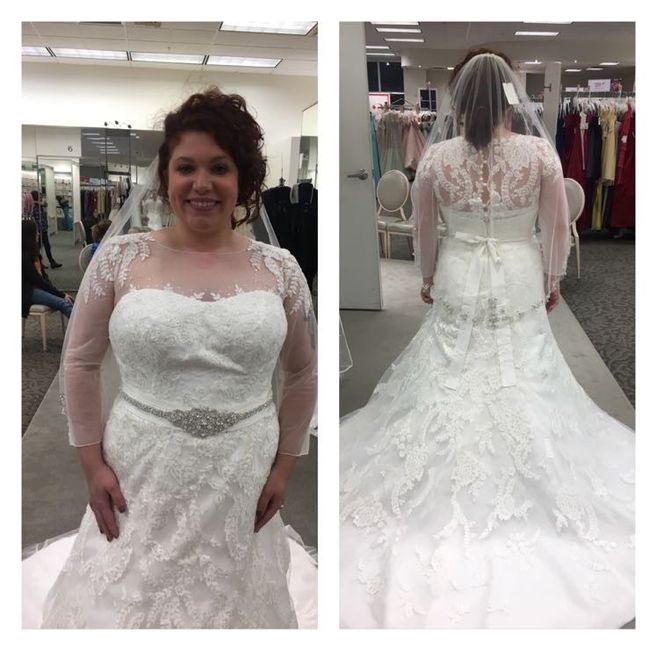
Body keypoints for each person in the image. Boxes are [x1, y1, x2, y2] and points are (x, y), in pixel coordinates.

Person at [340, 50, 634, 629]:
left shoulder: (437, 158)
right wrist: (552, 277)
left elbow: (425, 228)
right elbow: (556, 226)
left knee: (450, 362)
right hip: (519, 273)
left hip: (459, 272)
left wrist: (427, 277)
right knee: (526, 362)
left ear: (458, 100)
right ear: (509, 99)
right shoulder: (539, 154)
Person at [37, 88, 317, 628]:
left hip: (243, 465)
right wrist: (91, 463)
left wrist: (285, 467)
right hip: (142, 464)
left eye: (220, 167)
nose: (202, 183)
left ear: (244, 180)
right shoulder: (120, 258)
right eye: (186, 167)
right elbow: (81, 362)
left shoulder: (280, 269)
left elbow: (303, 371)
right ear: (165, 177)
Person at [22, 220, 73, 320]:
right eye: (36, 232)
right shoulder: (24, 257)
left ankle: (82, 325)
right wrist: (61, 295)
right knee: (64, 303)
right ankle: (81, 329)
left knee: (70, 300)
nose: (38, 234)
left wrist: (59, 293)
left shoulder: (34, 254)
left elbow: (44, 279)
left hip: (36, 289)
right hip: (28, 292)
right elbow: (38, 280)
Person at [31, 190, 62, 268]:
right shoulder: (34, 207)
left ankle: (51, 262)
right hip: (39, 230)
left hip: (43, 229)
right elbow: (35, 219)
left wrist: (40, 202)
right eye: (39, 196)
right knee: (38, 248)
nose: (41, 198)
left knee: (46, 246)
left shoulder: (39, 205)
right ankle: (41, 263)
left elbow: (45, 204)